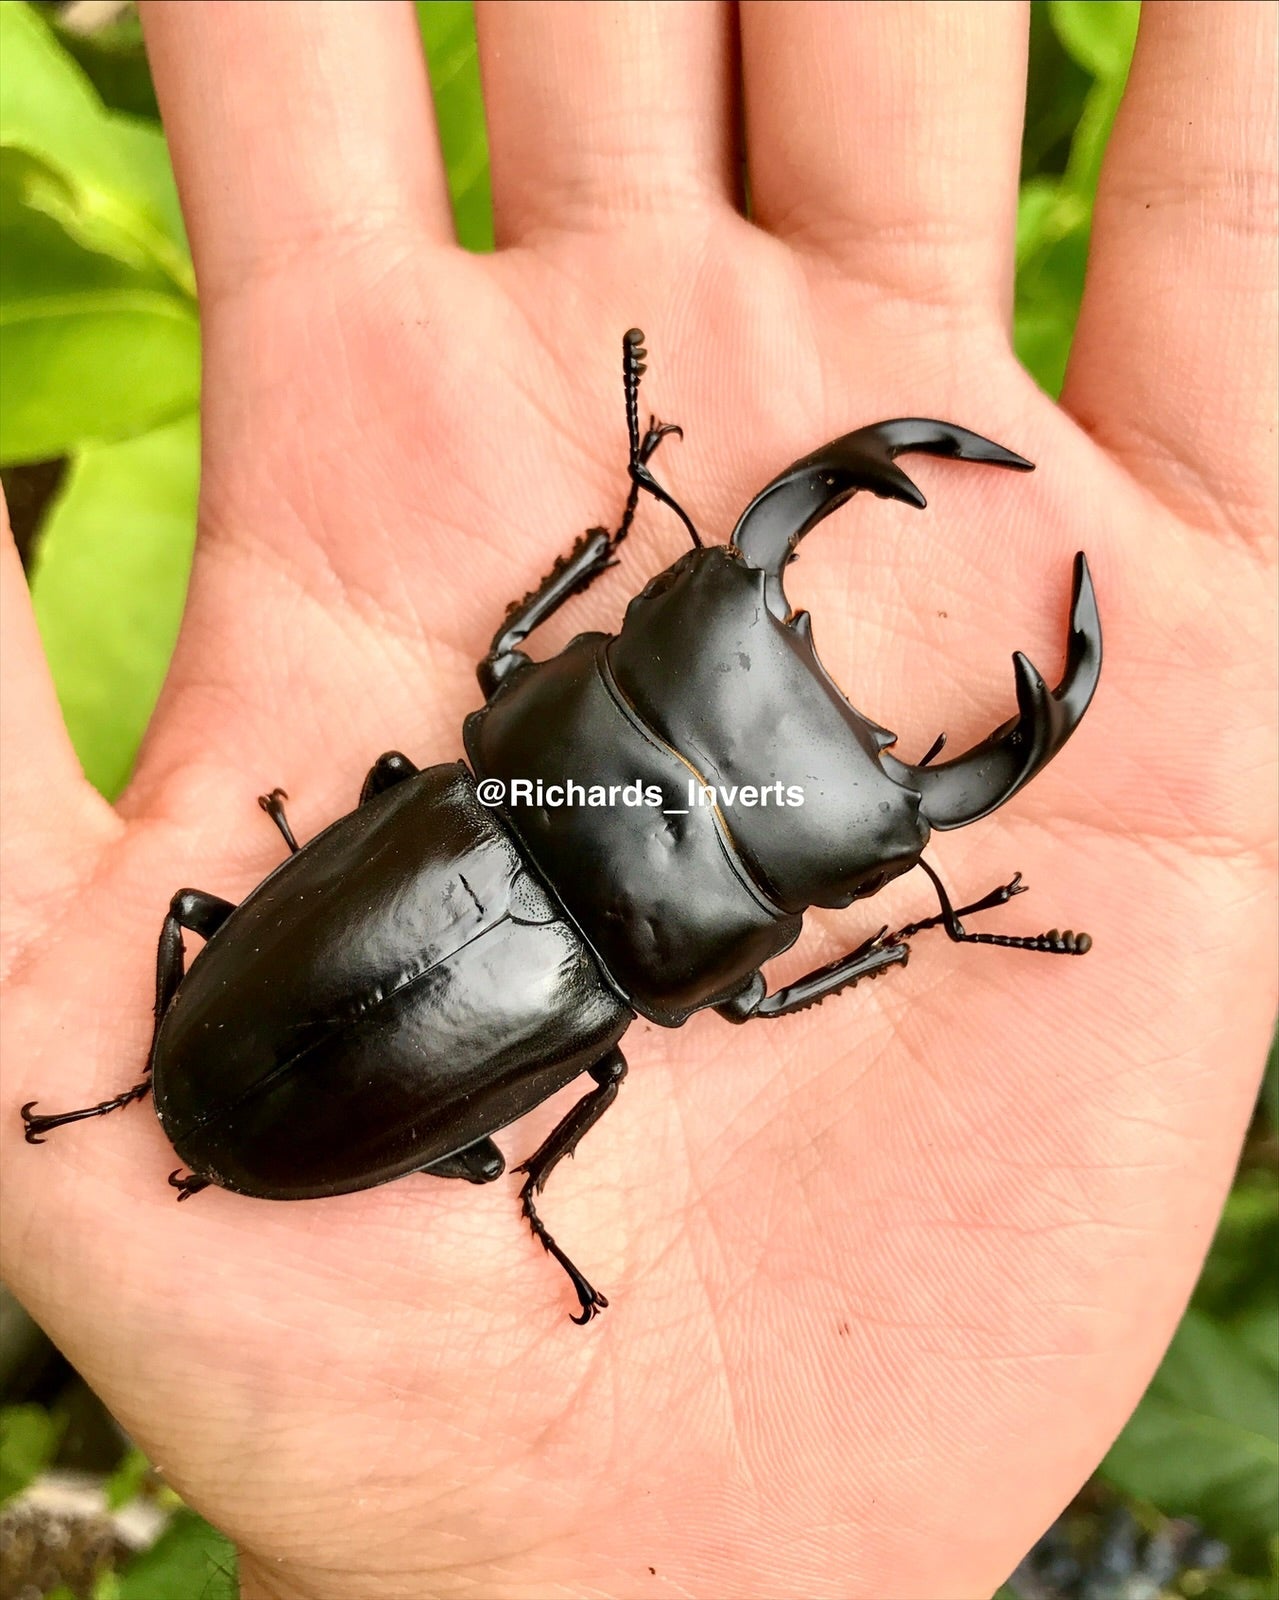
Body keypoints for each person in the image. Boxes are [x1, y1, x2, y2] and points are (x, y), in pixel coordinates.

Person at [1, 4, 1274, 1598]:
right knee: (467, 989)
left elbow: (500, 683)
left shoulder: (485, 784)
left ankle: (227, 1080)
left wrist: (635, 535)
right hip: (374, 1042)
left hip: (335, 1002)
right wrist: (912, 931)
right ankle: (428, 1140)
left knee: (376, 818)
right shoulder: (587, 935)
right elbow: (721, 967)